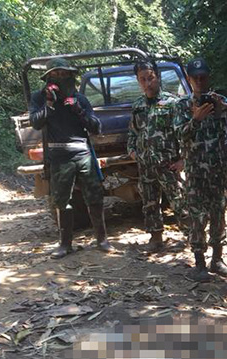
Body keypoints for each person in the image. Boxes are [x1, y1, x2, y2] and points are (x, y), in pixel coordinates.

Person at [29, 57, 111, 258]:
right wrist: (49, 104)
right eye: (56, 75)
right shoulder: (39, 98)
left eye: (65, 74)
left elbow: (96, 127)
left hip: (82, 154)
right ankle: (65, 244)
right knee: (61, 200)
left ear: (71, 76)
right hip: (59, 156)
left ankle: (102, 239)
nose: (61, 78)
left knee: (95, 196)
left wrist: (79, 110)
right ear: (48, 79)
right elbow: (36, 123)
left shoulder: (80, 99)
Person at [174, 58, 227, 281]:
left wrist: (222, 108)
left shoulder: (219, 101)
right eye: (195, 77)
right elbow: (179, 135)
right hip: (196, 172)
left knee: (219, 214)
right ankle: (199, 262)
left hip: (218, 171)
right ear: (189, 80)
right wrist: (195, 119)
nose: (199, 81)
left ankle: (217, 259)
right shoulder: (182, 106)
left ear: (208, 77)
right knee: (198, 217)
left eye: (203, 77)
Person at [127, 60, 184, 253]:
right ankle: (156, 238)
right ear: (138, 81)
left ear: (157, 77)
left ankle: (192, 236)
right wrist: (132, 150)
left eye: (150, 78)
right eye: (142, 79)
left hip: (168, 164)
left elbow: (183, 134)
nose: (147, 83)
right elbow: (133, 133)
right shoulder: (138, 106)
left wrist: (182, 158)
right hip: (145, 164)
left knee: (179, 199)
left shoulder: (172, 103)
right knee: (149, 202)